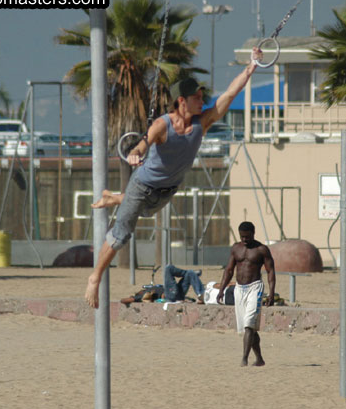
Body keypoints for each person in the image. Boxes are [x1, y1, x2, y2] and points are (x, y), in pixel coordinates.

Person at [85, 47, 264, 309]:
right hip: (142, 184)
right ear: (182, 101)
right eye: (197, 97)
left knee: (144, 213)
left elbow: (230, 94)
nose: (202, 101)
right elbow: (142, 145)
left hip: (168, 189)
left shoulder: (201, 123)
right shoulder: (163, 124)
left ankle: (113, 198)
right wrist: (135, 154)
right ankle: (94, 277)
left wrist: (251, 67)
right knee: (122, 234)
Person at [216, 221, 275, 367]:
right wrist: (221, 289)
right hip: (239, 289)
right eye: (242, 237)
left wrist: (271, 293)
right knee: (248, 328)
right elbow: (229, 270)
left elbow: (270, 272)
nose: (244, 240)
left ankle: (244, 358)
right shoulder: (236, 248)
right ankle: (259, 359)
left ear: (253, 233)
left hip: (255, 288)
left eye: (247, 237)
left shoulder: (262, 250)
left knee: (249, 324)